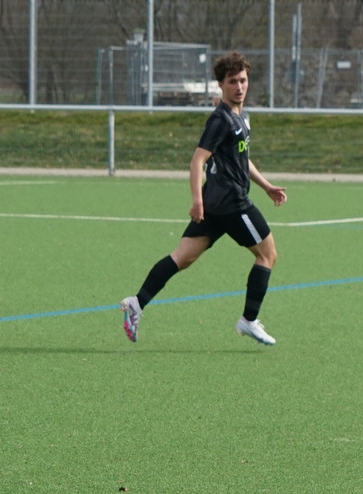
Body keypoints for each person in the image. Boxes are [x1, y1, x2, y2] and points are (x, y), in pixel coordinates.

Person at [121, 51, 287, 346]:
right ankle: (249, 321)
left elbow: (241, 159)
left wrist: (265, 186)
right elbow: (197, 161)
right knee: (268, 255)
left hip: (216, 202)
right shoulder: (220, 119)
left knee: (182, 257)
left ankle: (136, 303)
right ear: (221, 85)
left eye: (243, 80)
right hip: (231, 203)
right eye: (232, 81)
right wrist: (196, 200)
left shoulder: (241, 116)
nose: (239, 86)